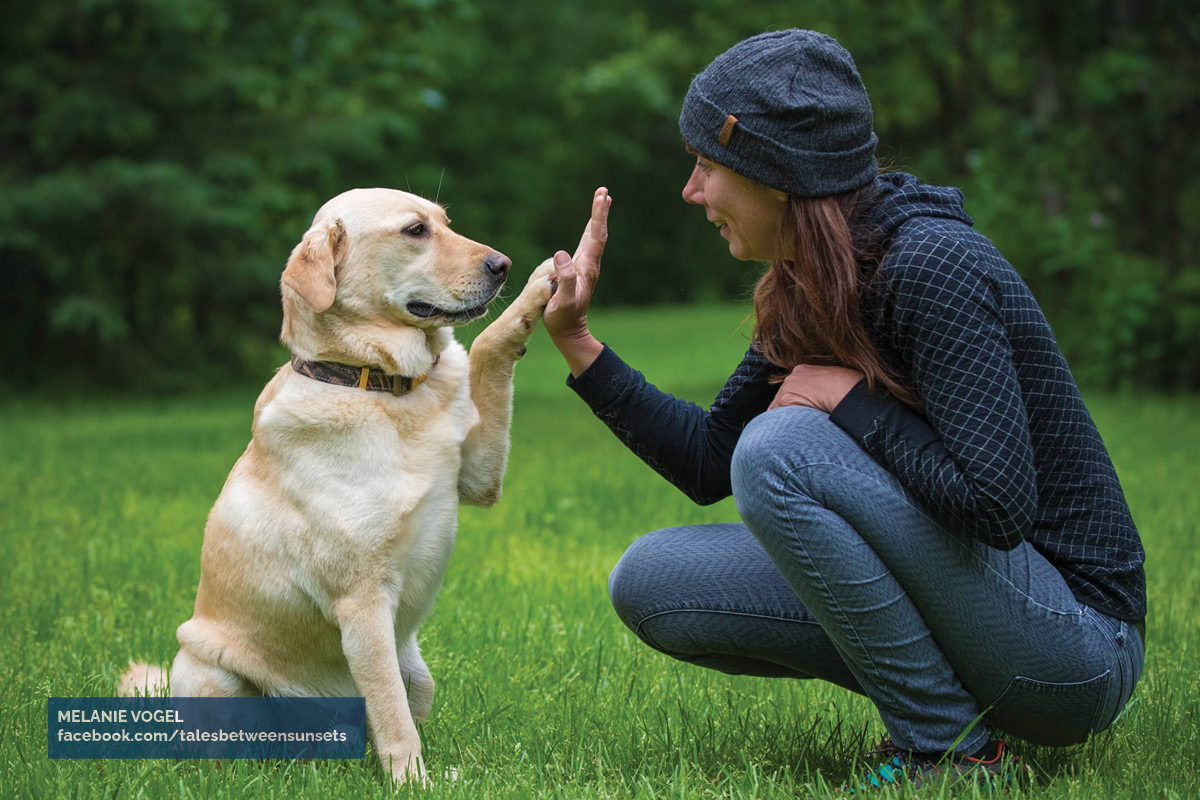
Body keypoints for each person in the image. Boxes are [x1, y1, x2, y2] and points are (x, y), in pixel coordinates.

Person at [540, 29, 1147, 793]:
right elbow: (707, 461)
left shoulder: (934, 265)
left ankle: (952, 754)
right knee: (653, 580)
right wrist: (577, 342)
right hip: (986, 615)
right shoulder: (811, 277)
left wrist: (849, 403)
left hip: (1078, 646)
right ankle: (946, 721)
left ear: (776, 174)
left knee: (781, 446)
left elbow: (997, 506)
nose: (692, 193)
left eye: (706, 166)